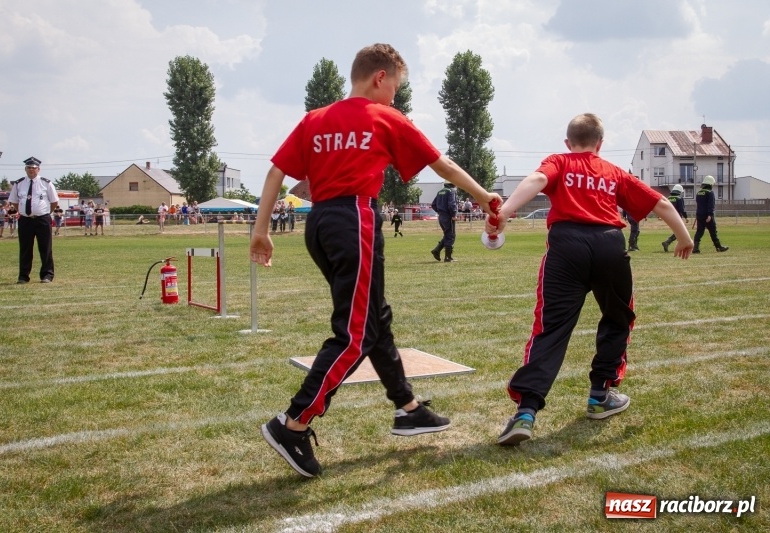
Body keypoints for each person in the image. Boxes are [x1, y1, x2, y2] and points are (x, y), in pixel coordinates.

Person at [250, 43, 501, 478]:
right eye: (396, 88)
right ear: (380, 78)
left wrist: (261, 230)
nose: (396, 98)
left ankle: (408, 408)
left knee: (374, 319)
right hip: (354, 220)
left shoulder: (315, 119)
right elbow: (441, 166)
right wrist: (485, 197)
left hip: (320, 224)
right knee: (355, 333)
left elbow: (277, 172)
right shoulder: (385, 117)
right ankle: (293, 423)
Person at [486, 113, 693, 446]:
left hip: (566, 247)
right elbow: (662, 203)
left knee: (551, 329)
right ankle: (600, 395)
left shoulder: (558, 161)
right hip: (610, 245)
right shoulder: (612, 172)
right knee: (618, 318)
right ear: (600, 143)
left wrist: (506, 211)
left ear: (568, 143)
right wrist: (684, 238)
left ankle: (525, 413)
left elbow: (537, 181)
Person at [8, 157, 59, 283]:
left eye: (34, 168)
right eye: (29, 168)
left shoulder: (46, 183)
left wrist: (45, 212)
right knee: (25, 249)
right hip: (25, 220)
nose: (31, 170)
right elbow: (14, 202)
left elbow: (54, 202)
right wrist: (23, 211)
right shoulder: (18, 184)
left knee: (45, 248)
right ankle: (23, 276)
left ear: (38, 169)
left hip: (42, 219)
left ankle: (47, 275)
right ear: (25, 169)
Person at [693, 175, 729, 253]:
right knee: (713, 232)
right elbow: (711, 204)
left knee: (699, 232)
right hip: (707, 215)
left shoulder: (699, 193)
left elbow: (699, 204)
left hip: (699, 214)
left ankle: (695, 248)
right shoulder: (710, 193)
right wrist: (710, 214)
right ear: (710, 184)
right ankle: (718, 247)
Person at [430, 182, 458, 262]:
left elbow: (433, 204)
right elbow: (452, 204)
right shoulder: (451, 190)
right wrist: (453, 214)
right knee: (451, 236)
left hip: (441, 216)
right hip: (448, 216)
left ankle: (436, 250)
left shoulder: (440, 191)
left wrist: (440, 212)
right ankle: (448, 257)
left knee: (447, 235)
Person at [662, 184, 689, 252]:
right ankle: (667, 242)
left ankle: (668, 242)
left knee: (678, 231)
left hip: (668, 217)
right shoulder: (679, 198)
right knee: (680, 231)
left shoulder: (668, 198)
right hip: (676, 217)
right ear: (679, 191)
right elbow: (682, 209)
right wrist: (686, 217)